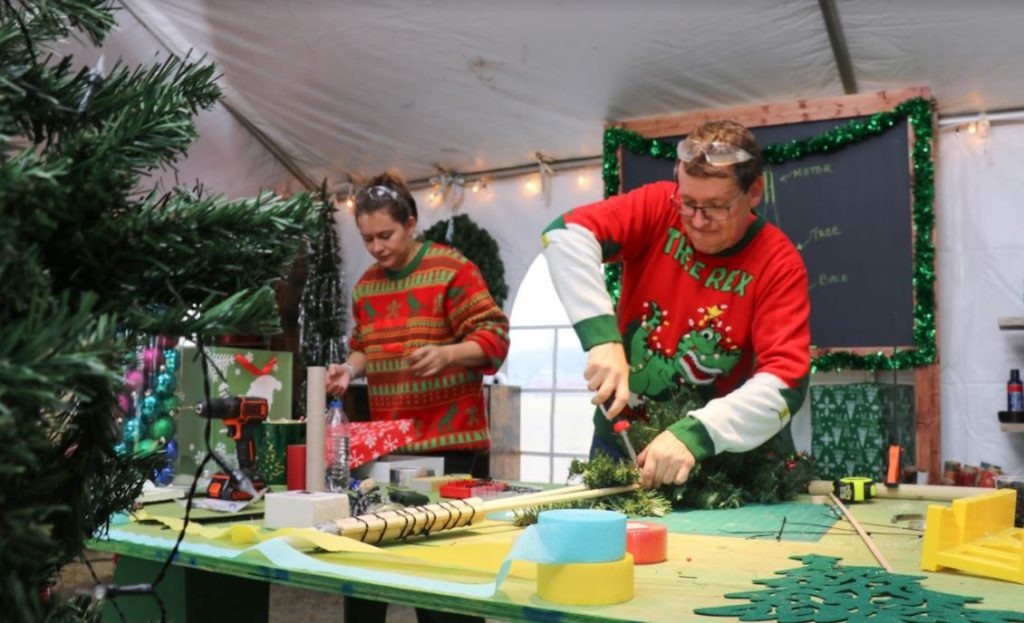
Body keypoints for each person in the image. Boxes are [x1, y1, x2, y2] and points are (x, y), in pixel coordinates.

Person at [542, 119, 810, 490]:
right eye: (688, 203)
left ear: (754, 193)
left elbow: (786, 382)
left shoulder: (778, 262)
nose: (697, 221)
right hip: (623, 438)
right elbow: (564, 235)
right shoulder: (658, 205)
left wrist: (695, 434)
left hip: (715, 457)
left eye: (716, 207)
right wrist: (603, 339)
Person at [327, 171, 508, 623]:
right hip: (389, 448)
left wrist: (449, 353)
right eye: (367, 239)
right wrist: (349, 369)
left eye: (385, 235)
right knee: (372, 562)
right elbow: (364, 347)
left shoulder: (452, 270)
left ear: (411, 223)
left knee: (444, 580)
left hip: (451, 449)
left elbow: (495, 337)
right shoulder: (367, 286)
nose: (377, 247)